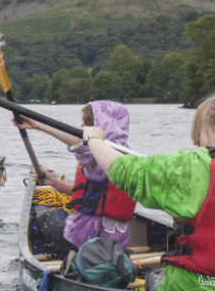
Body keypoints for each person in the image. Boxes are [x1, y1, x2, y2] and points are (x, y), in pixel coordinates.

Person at [81, 91, 215, 291]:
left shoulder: (193, 166)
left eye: (199, 136)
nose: (198, 145)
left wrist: (94, 140)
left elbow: (125, 171)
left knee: (151, 276)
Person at [17, 101, 136, 258]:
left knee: (42, 218)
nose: (80, 130)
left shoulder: (95, 155)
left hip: (83, 245)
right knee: (61, 214)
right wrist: (54, 183)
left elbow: (79, 143)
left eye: (83, 127)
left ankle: (48, 262)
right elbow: (95, 195)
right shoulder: (130, 157)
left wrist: (39, 125)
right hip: (116, 246)